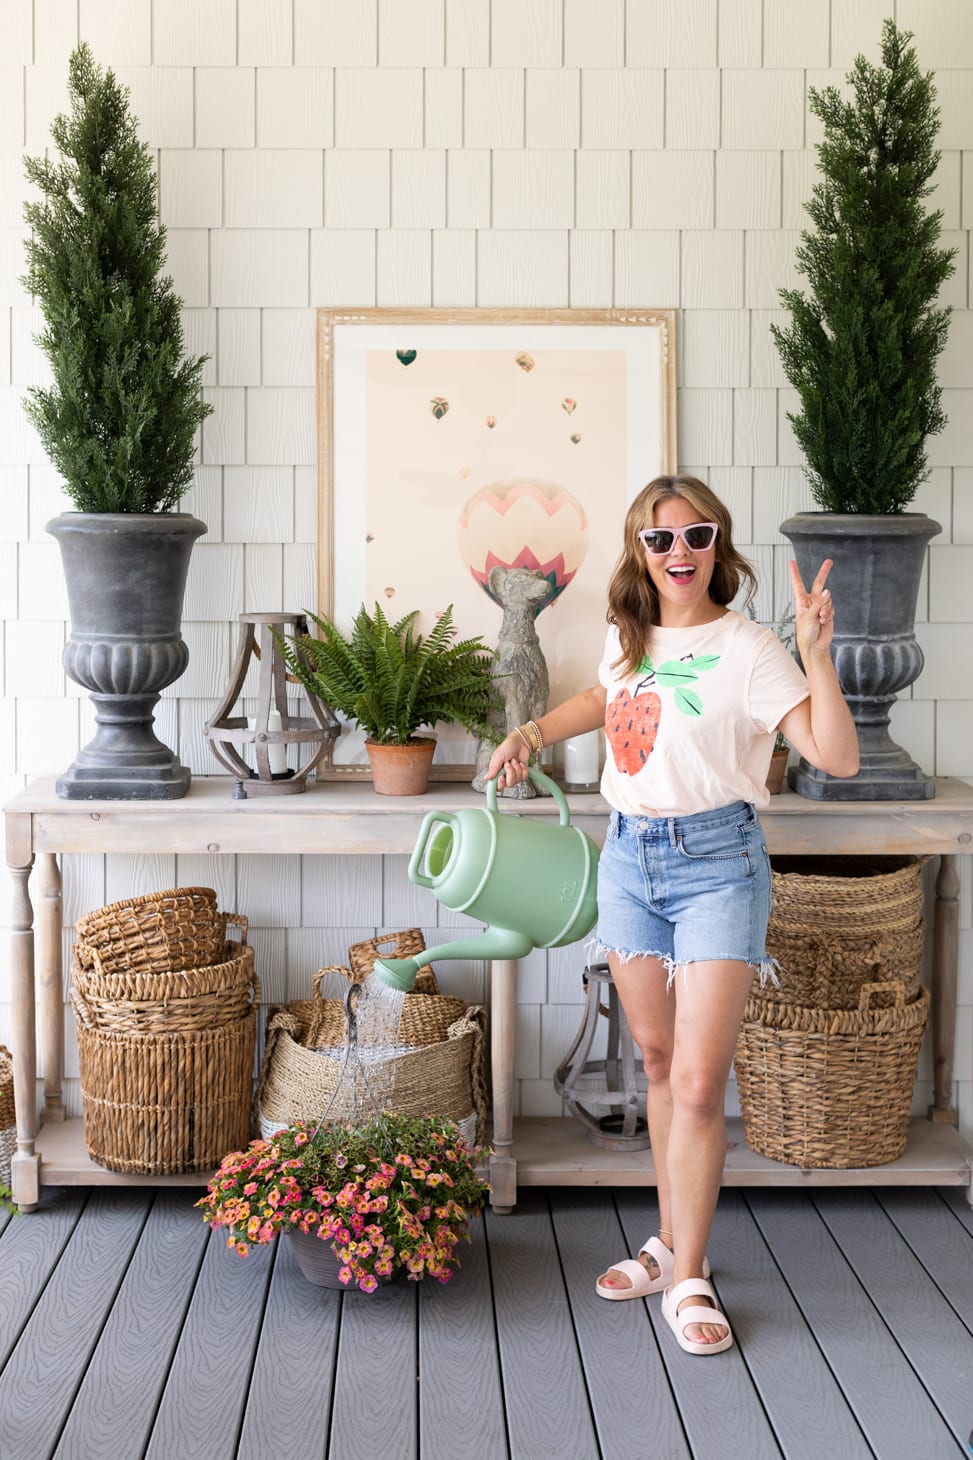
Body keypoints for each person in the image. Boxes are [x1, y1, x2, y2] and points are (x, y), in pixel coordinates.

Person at [485, 474, 859, 1357]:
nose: (679, 553)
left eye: (696, 536)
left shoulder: (752, 648)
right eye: (660, 541)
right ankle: (666, 1244)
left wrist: (815, 649)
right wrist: (531, 733)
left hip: (718, 866)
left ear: (718, 548)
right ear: (641, 556)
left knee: (695, 1083)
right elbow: (603, 702)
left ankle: (688, 1274)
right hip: (628, 860)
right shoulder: (629, 640)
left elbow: (834, 757)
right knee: (656, 1060)